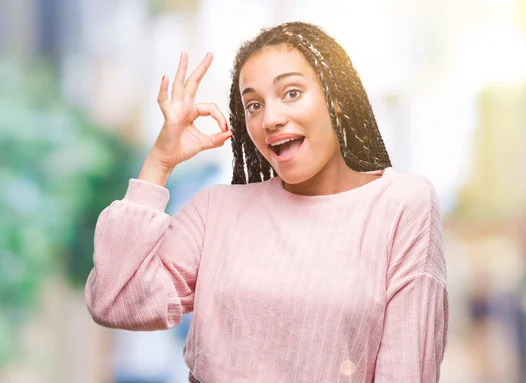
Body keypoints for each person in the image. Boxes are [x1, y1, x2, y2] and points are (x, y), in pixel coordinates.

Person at [85, 21, 448, 382]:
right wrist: (159, 162)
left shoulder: (400, 203)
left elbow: (406, 368)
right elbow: (115, 300)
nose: (270, 119)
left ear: (337, 101)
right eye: (254, 105)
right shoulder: (215, 211)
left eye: (291, 93)